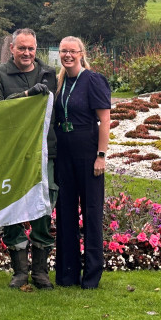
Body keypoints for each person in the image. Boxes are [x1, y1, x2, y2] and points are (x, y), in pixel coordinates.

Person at [0, 28, 57, 289]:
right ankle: (19, 271)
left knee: (43, 208)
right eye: (22, 48)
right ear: (12, 49)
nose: (27, 53)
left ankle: (40, 272)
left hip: (44, 151)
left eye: (31, 48)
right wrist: (26, 96)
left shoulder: (49, 74)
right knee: (13, 207)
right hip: (12, 153)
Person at [53, 36, 112, 289]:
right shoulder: (58, 82)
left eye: (72, 51)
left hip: (87, 152)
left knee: (90, 211)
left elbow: (105, 121)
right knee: (65, 212)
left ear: (81, 53)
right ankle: (67, 274)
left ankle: (91, 276)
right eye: (63, 51)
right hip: (63, 153)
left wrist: (101, 155)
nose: (68, 55)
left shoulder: (92, 80)